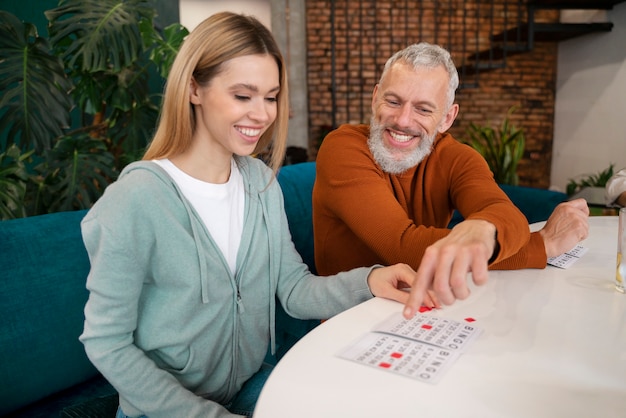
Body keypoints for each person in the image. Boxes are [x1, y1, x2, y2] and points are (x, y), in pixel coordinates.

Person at [79, 12, 420, 418]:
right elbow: (106, 341)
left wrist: (370, 280)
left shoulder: (259, 183)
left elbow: (293, 288)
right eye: (243, 96)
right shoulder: (135, 201)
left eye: (271, 96)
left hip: (247, 386)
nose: (262, 114)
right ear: (194, 89)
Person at [312, 42, 589, 319]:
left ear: (446, 118)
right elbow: (403, 247)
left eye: (423, 109)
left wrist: (485, 227)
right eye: (393, 101)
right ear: (375, 100)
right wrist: (542, 245)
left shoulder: (457, 157)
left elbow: (507, 215)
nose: (403, 120)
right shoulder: (342, 147)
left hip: (423, 313)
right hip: (348, 320)